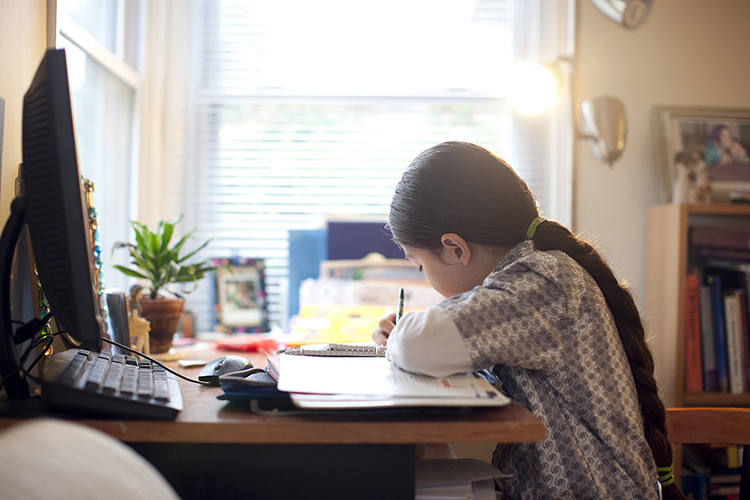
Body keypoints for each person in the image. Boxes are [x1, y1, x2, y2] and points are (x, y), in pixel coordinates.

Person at [373, 142, 686, 500]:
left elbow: (419, 345)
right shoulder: (531, 279)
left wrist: (402, 335)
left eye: (419, 264)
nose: (422, 274)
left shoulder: (543, 281)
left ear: (456, 249)